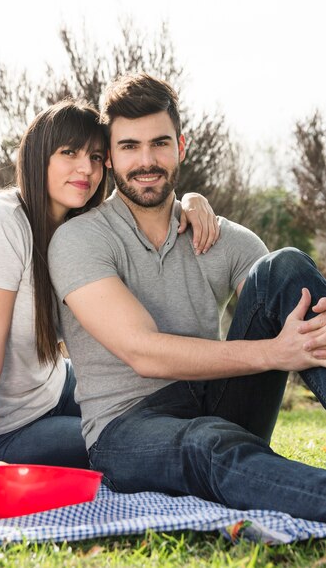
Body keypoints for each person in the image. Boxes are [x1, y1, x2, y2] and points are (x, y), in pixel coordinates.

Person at [48, 73, 326, 523]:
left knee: (287, 266)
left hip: (216, 401)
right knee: (209, 443)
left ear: (181, 146)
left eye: (159, 143)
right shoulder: (80, 239)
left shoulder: (220, 236)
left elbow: (279, 301)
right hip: (126, 427)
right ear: (111, 157)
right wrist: (276, 352)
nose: (146, 160)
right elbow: (143, 353)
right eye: (129, 146)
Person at [0, 98, 219, 480]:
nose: (87, 168)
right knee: (120, 443)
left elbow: (144, 205)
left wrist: (190, 203)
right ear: (38, 156)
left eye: (97, 157)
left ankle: (224, 440)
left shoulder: (74, 229)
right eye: (69, 153)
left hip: (53, 387)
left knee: (156, 407)